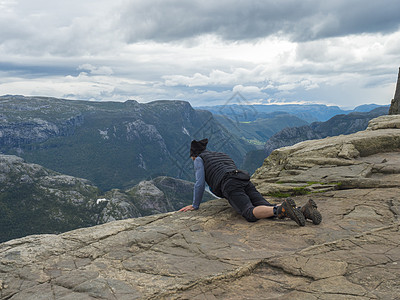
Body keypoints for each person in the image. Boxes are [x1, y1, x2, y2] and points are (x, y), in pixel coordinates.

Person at [179, 139, 322, 226]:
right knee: (265, 207)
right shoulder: (221, 155)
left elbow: (199, 183)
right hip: (243, 178)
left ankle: (281, 209)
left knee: (249, 212)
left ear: (194, 155)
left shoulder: (199, 159)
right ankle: (302, 210)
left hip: (229, 183)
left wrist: (195, 205)